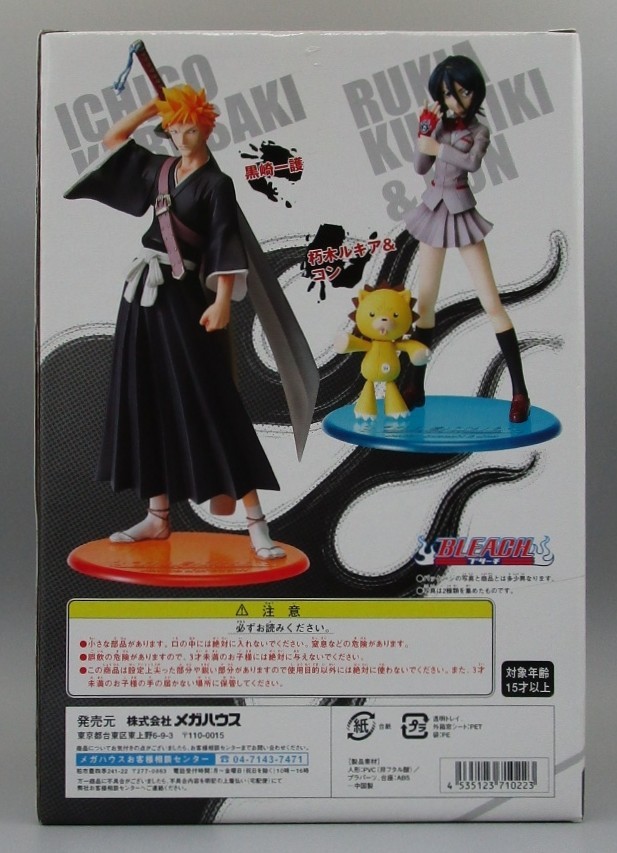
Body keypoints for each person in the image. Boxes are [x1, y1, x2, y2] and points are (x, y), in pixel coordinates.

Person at [66, 84, 287, 558]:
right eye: (175, 130)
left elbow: (224, 242)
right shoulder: (162, 170)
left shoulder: (216, 184)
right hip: (141, 296)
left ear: (207, 129)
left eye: (191, 129)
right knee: (145, 395)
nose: (182, 138)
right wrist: (154, 106)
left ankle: (256, 522)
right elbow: (113, 141)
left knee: (211, 400)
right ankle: (157, 515)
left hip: (184, 298)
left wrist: (222, 300)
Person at [403, 55, 530, 423]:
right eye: (448, 94)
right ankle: (416, 385)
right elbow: (420, 166)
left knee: (491, 301)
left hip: (461, 211)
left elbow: (472, 162)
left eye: (462, 92)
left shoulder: (479, 130)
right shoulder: (441, 127)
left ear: (475, 92)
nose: (455, 101)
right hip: (433, 210)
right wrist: (425, 133)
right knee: (425, 304)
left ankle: (520, 391)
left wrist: (437, 147)